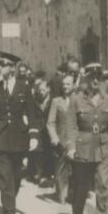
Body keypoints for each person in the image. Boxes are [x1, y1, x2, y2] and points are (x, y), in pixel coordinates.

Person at [0, 52, 38, 214]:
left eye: (5, 65)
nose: (2, 67)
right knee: (5, 176)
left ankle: (9, 201)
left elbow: (31, 112)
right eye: (1, 64)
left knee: (15, 175)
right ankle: (9, 211)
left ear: (13, 68)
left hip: (18, 137)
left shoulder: (24, 87)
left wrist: (33, 135)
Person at [65, 63, 108, 214]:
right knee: (82, 184)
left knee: (103, 183)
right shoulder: (76, 99)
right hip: (84, 146)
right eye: (91, 77)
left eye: (98, 77)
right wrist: (71, 147)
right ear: (86, 79)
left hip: (104, 146)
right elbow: (71, 126)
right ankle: (78, 211)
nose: (95, 80)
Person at [47, 74, 74, 204]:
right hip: (61, 140)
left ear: (73, 85)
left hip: (76, 140)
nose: (65, 87)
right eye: (63, 84)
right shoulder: (56, 101)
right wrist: (54, 137)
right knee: (61, 169)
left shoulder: (80, 101)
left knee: (75, 169)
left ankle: (73, 194)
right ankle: (62, 195)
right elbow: (50, 123)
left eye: (68, 84)